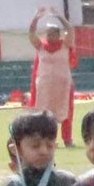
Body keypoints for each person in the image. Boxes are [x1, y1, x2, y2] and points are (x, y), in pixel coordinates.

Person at [27, 9, 77, 147]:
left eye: (53, 33)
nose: (50, 36)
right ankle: (47, 139)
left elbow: (70, 29)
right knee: (43, 113)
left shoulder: (65, 45)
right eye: (48, 33)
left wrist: (59, 17)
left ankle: (67, 139)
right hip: (45, 86)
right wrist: (36, 19)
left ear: (58, 34)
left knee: (65, 111)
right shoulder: (40, 46)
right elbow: (31, 33)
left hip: (63, 85)